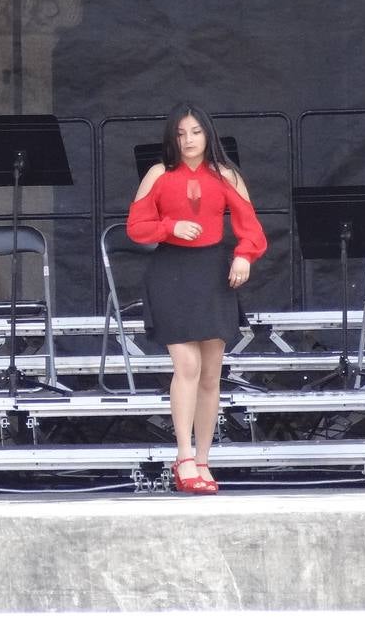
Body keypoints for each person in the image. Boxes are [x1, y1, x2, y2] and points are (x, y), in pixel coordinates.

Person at [126, 102, 266, 495]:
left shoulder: (226, 175)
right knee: (185, 364)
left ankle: (203, 460)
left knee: (210, 373)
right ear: (172, 138)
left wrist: (243, 255)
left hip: (213, 272)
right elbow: (136, 226)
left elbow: (250, 227)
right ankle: (183, 456)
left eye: (195, 132)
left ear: (208, 134)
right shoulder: (158, 173)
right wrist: (170, 226)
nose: (188, 140)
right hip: (171, 272)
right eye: (181, 133)